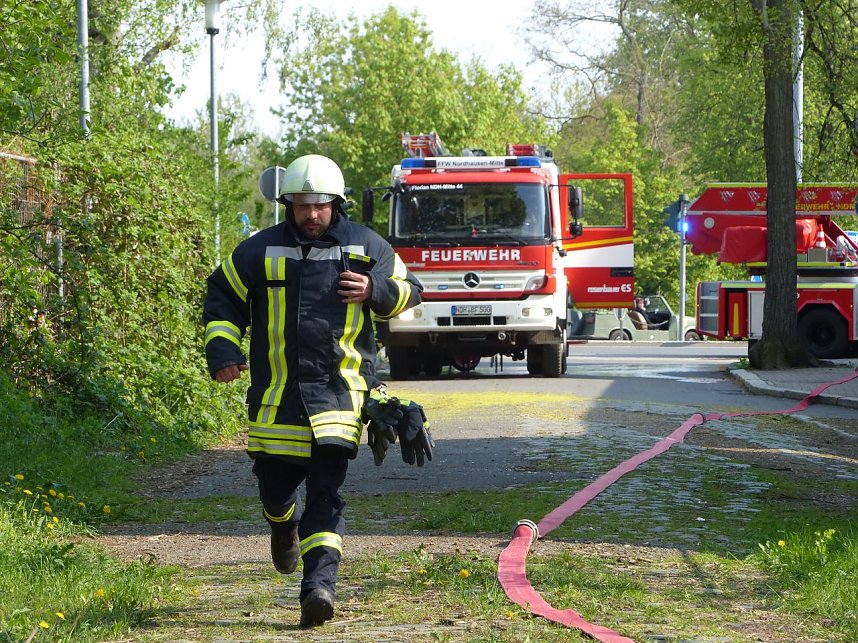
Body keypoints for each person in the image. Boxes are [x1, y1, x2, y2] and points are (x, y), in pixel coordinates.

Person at [202, 154, 423, 627]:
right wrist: (223, 352)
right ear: (289, 205)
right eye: (302, 205)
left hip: (338, 399)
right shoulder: (258, 251)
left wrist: (374, 290)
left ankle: (318, 587)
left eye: (320, 205)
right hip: (276, 399)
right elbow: (221, 297)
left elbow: (411, 289)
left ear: (336, 204)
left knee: (326, 495)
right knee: (275, 489)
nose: (312, 215)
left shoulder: (365, 247)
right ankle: (282, 529)